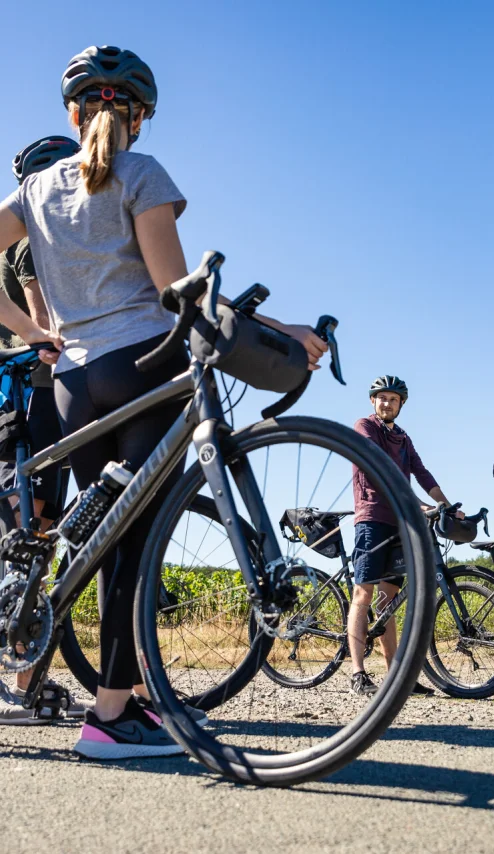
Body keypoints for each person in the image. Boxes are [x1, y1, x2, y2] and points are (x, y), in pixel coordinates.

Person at [0, 44, 326, 758]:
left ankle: (136, 703)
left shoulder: (34, 189)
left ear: (72, 111)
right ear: (140, 118)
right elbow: (176, 294)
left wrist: (35, 332)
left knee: (112, 543)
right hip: (143, 366)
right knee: (137, 548)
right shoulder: (139, 174)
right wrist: (281, 330)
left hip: (74, 385)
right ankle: (109, 718)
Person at [0, 136, 91, 725]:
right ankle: (19, 689)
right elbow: (43, 315)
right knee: (33, 531)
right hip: (36, 392)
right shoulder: (33, 236)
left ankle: (25, 683)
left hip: (20, 396)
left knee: (32, 535)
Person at [349, 375, 461, 696]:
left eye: (393, 399)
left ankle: (396, 678)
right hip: (372, 518)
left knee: (387, 602)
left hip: (399, 521)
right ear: (373, 401)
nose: (387, 403)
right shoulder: (364, 427)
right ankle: (357, 673)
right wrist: (421, 504)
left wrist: (445, 505)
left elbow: (421, 473)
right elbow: (380, 467)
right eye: (381, 398)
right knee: (364, 596)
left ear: (401, 404)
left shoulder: (403, 438)